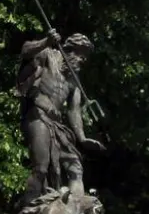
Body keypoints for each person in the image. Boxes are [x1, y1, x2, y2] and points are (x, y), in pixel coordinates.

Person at [16, 30, 103, 203]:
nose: (83, 60)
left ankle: (77, 212)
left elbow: (74, 110)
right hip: (38, 116)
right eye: (81, 55)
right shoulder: (48, 55)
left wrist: (82, 137)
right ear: (70, 49)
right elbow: (25, 51)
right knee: (41, 167)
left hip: (57, 125)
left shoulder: (74, 80)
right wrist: (46, 41)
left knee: (75, 166)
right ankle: (29, 210)